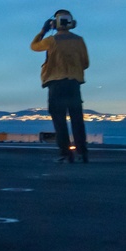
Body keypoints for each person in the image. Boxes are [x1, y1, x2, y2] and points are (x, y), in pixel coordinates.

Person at [30, 9, 90, 163]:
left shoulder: (51, 41)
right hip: (74, 84)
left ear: (55, 23)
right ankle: (82, 153)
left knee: (59, 120)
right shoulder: (79, 40)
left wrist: (44, 30)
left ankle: (65, 153)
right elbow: (86, 63)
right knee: (77, 120)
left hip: (56, 84)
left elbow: (34, 46)